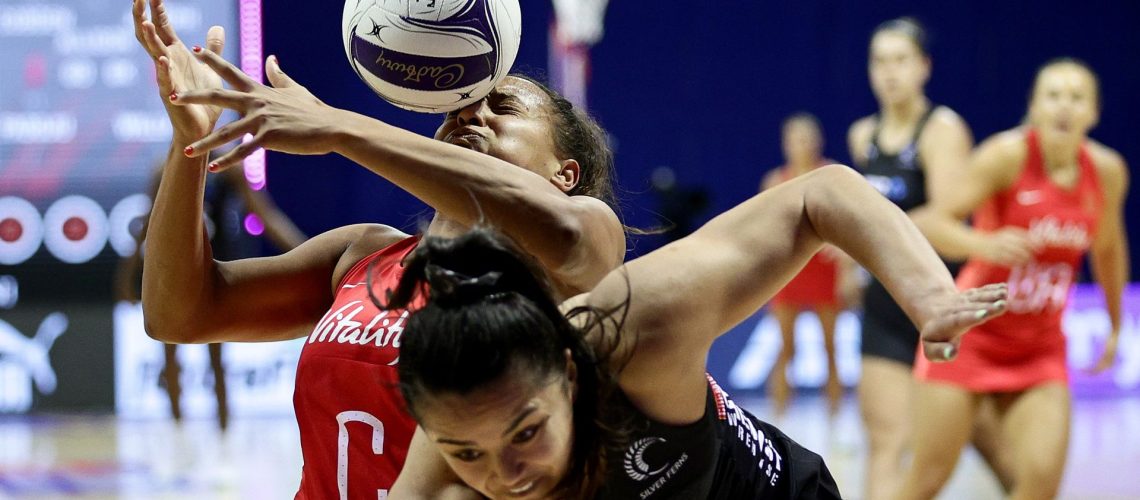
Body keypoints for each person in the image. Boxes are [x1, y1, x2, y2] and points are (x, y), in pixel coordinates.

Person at [131, 0, 626, 498]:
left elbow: (566, 232)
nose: (471, 111)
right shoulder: (361, 253)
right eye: (460, 104)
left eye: (503, 107)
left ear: (564, 174)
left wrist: (337, 127)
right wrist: (188, 144)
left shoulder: (577, 252)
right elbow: (179, 315)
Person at [387, 165, 1009, 500]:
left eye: (527, 430)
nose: (508, 475)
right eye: (466, 454)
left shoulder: (637, 328)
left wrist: (930, 297)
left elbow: (820, 197)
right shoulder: (444, 473)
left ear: (570, 374)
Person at [897, 58, 1130, 500]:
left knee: (1041, 482)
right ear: (1035, 107)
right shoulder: (1007, 155)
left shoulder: (1106, 172)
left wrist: (1116, 323)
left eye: (1077, 97)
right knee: (926, 480)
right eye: (1053, 95)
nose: (1064, 106)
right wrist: (982, 243)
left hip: (1039, 348)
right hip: (971, 338)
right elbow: (927, 221)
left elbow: (1109, 249)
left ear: (1094, 112)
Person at [846, 17, 1013, 498]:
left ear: (924, 67)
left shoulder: (942, 130)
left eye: (900, 60)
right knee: (885, 440)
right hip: (883, 305)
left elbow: (944, 225)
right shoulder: (864, 135)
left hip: (941, 302)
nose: (889, 72)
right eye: (879, 61)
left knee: (988, 440)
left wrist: (885, 231)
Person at [115, 163, 306, 430]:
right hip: (175, 269)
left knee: (216, 357)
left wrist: (309, 253)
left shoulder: (230, 171)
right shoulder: (165, 171)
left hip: (216, 269)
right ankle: (177, 429)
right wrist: (128, 274)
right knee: (170, 352)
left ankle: (223, 430)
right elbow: (150, 223)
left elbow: (265, 216)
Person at [761, 113, 856, 415]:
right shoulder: (776, 180)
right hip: (788, 273)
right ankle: (776, 416)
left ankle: (835, 417)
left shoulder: (831, 175)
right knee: (786, 348)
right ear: (784, 144)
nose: (799, 145)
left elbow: (849, 225)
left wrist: (847, 271)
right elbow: (765, 232)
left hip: (823, 271)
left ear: (817, 142)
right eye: (793, 139)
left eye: (805, 138)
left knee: (831, 349)